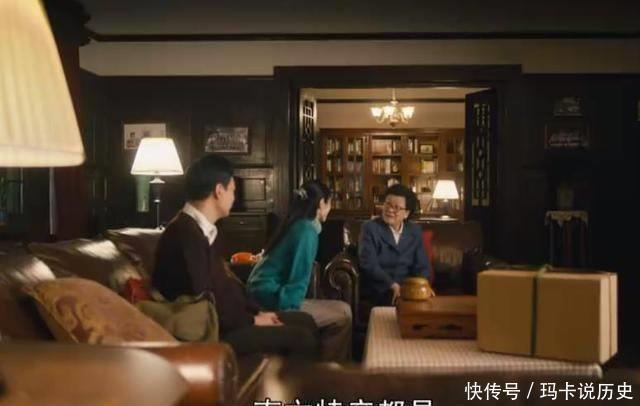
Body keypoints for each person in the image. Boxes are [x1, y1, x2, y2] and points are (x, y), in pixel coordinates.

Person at [152, 154, 319, 358]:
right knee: (301, 338)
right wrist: (252, 320)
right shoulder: (184, 233)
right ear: (218, 191)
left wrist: (257, 312)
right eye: (232, 190)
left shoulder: (204, 230)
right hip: (213, 330)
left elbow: (226, 286)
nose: (234, 197)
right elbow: (206, 295)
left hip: (229, 319)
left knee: (305, 321)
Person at [247, 180, 352, 362]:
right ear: (321, 204)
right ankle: (327, 370)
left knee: (344, 309)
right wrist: (292, 315)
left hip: (264, 293)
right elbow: (298, 281)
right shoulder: (306, 231)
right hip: (273, 299)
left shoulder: (297, 224)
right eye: (330, 203)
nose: (330, 208)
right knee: (342, 317)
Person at [358, 184, 431, 306]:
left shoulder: (415, 231)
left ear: (406, 213)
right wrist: (391, 285)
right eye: (388, 204)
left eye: (396, 207)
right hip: (379, 289)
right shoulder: (370, 228)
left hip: (408, 290)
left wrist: (423, 286)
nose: (390, 210)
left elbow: (422, 266)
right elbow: (369, 264)